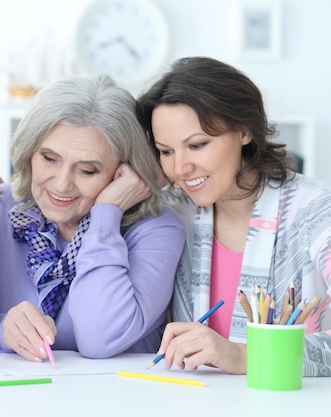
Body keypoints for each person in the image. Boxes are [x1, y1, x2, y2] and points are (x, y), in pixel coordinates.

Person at [136, 56, 331, 377]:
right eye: (166, 151)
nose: (180, 169)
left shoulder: (315, 211)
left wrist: (245, 356)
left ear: (244, 130)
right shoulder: (173, 213)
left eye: (197, 145)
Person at [0, 74, 186, 362]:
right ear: (29, 150)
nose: (61, 185)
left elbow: (100, 339)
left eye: (87, 170)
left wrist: (106, 215)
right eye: (49, 158)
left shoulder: (157, 229)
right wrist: (2, 331)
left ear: (124, 172)